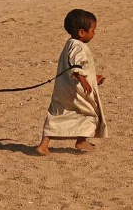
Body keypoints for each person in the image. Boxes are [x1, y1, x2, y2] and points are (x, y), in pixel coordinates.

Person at [36, 9, 108, 156]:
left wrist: (93, 78)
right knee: (88, 112)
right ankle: (81, 141)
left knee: (57, 113)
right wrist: (85, 82)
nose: (94, 33)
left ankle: (44, 144)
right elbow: (76, 66)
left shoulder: (70, 44)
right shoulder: (79, 46)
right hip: (75, 90)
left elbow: (78, 66)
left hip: (63, 89)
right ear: (82, 32)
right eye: (93, 30)